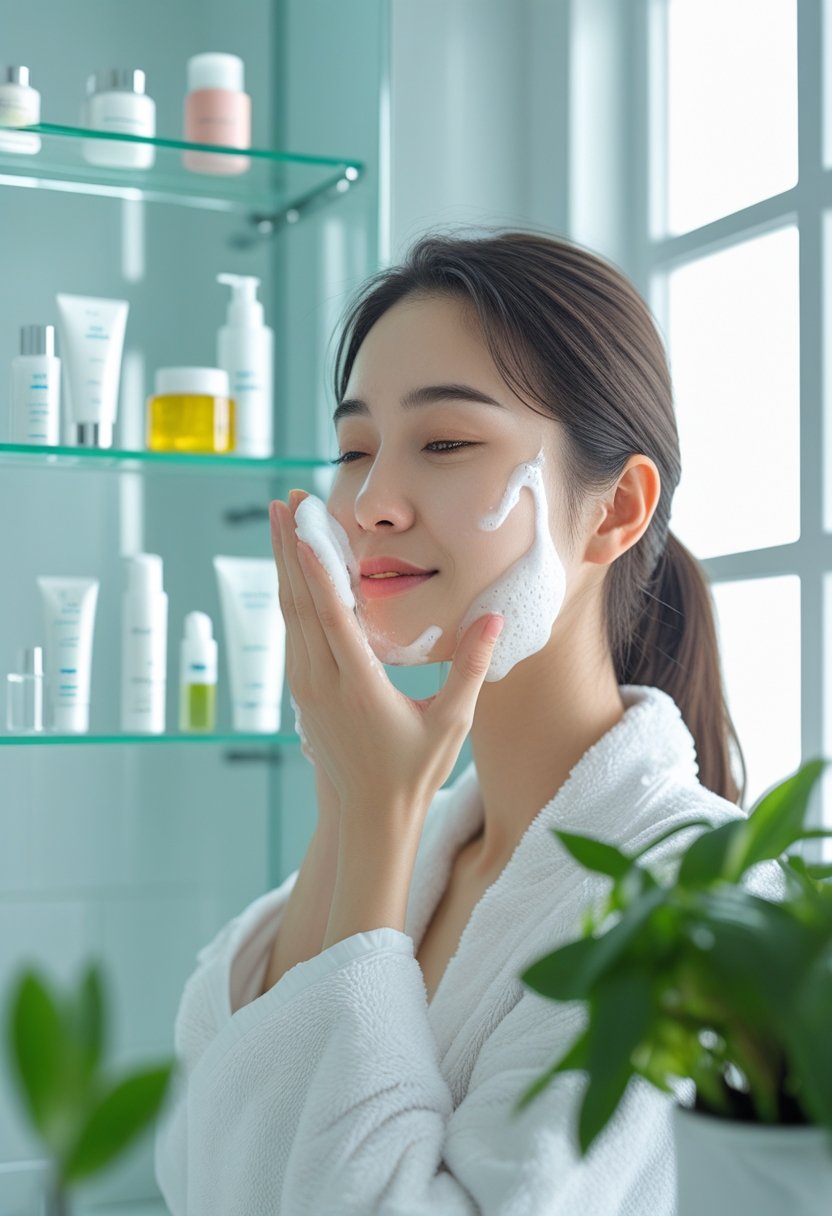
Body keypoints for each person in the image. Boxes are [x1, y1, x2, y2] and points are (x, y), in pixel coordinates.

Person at [154, 228, 783, 1215]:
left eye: (444, 443)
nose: (370, 503)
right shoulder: (425, 842)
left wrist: (376, 818)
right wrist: (350, 796)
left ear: (616, 509)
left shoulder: (699, 910)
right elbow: (202, 1143)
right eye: (355, 449)